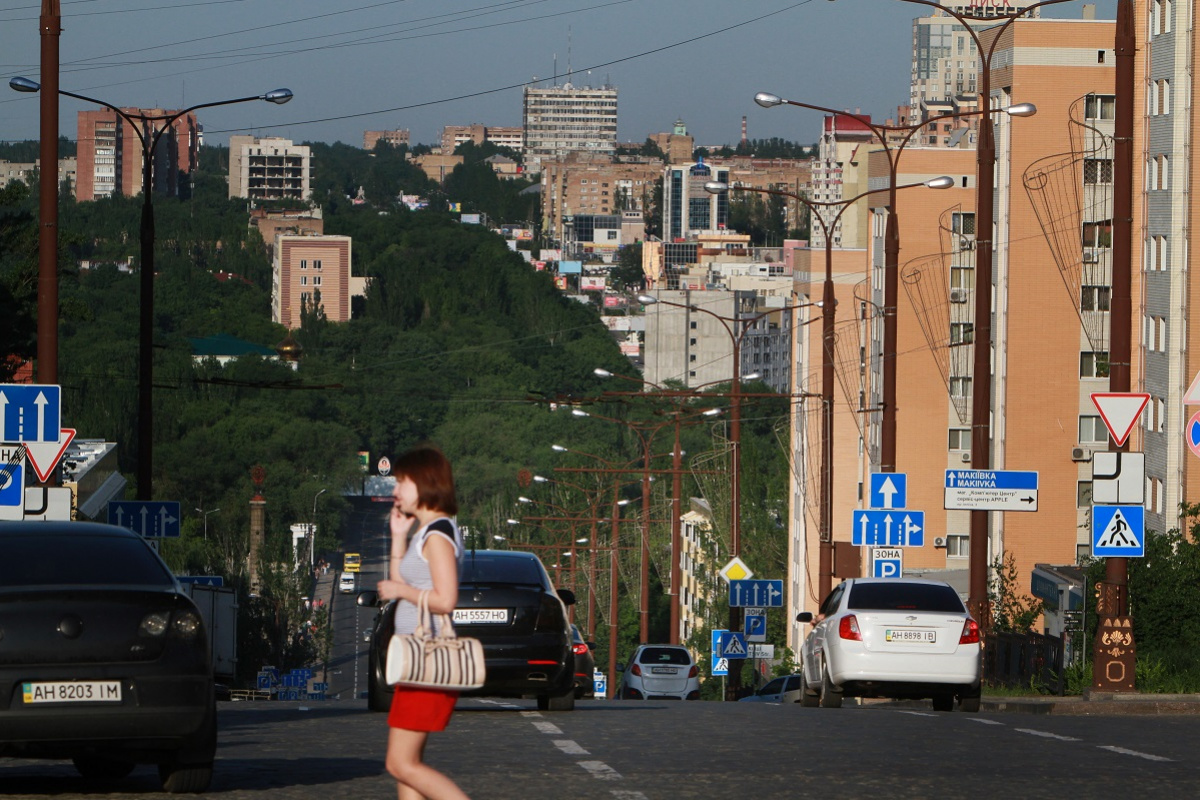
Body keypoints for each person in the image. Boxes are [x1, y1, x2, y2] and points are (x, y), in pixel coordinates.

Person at [376, 445, 470, 800]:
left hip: (428, 660)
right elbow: (400, 582)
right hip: (414, 661)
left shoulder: (438, 535)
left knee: (400, 764)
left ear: (426, 482)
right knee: (407, 768)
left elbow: (446, 600)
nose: (396, 490)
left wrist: (403, 589)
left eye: (402, 481)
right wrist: (398, 537)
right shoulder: (427, 531)